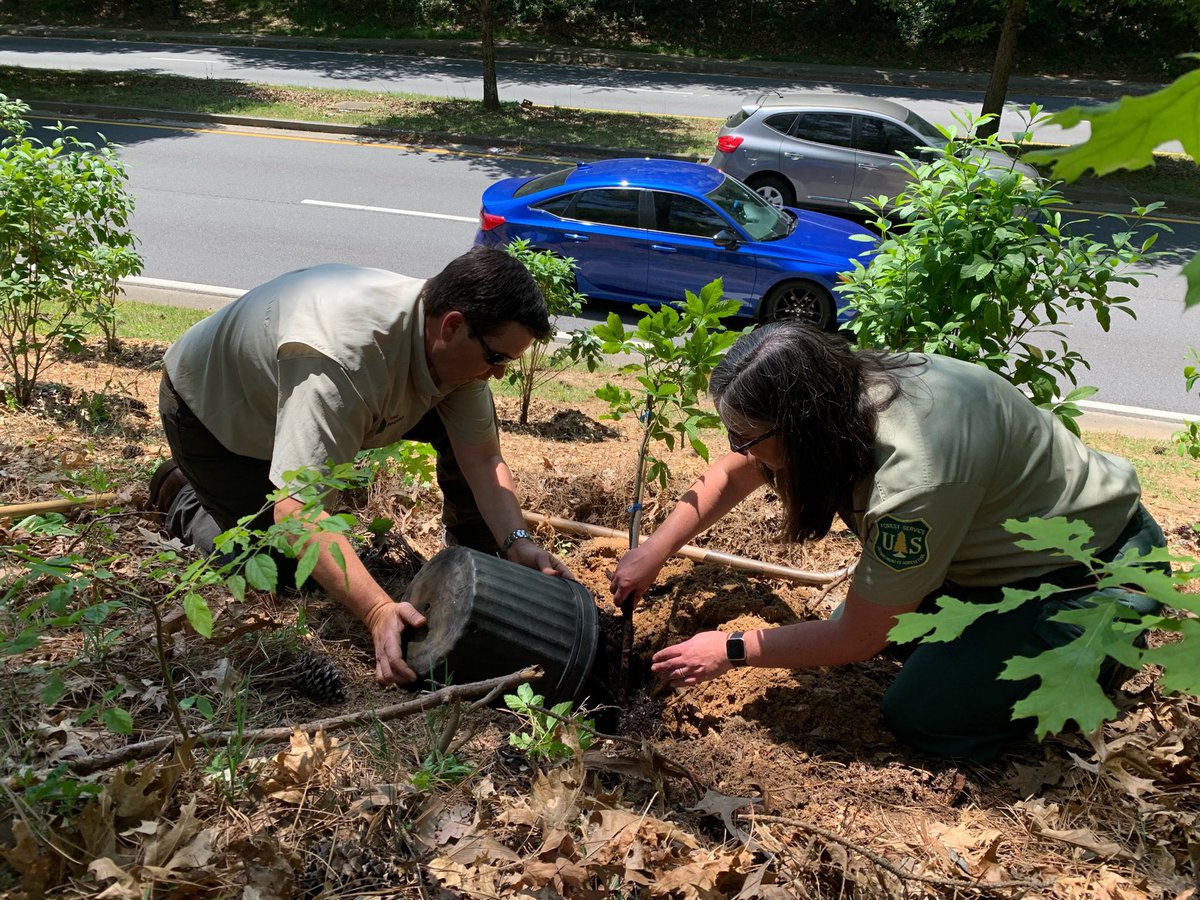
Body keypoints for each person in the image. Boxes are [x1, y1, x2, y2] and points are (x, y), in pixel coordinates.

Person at [609, 321, 1164, 762]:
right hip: (990, 554)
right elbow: (734, 473)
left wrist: (730, 649)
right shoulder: (843, 387)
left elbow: (858, 639)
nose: (737, 448)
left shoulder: (914, 477)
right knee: (868, 628)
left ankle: (1099, 656)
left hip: (1089, 575)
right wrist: (653, 551)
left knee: (921, 712)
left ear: (800, 425)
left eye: (746, 435)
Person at [150, 247, 573, 686]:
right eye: (497, 358)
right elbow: (297, 514)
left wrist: (516, 540)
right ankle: (182, 490)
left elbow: (483, 457)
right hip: (215, 415)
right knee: (279, 571)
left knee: (455, 427)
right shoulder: (342, 359)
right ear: (452, 326)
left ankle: (475, 556)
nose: (498, 374)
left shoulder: (455, 352)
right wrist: (375, 609)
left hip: (308, 394)